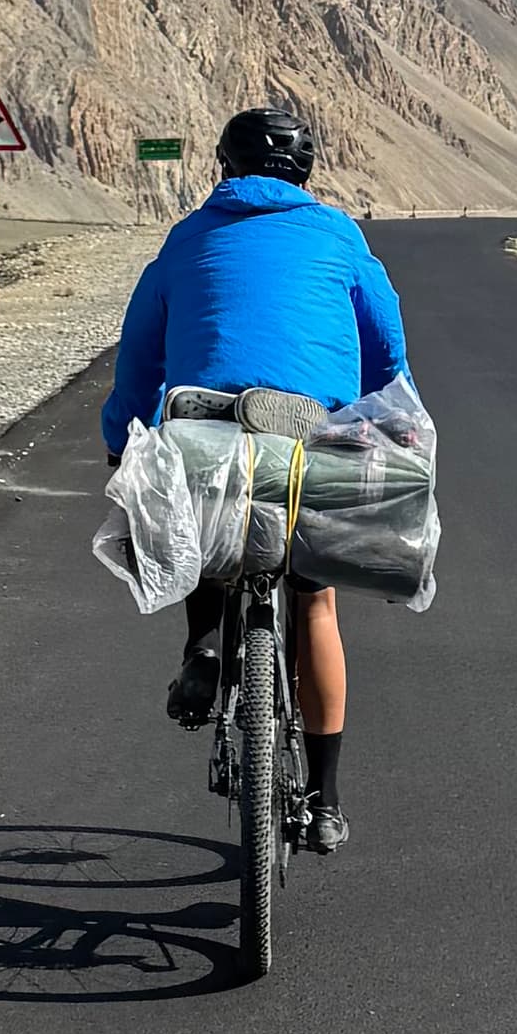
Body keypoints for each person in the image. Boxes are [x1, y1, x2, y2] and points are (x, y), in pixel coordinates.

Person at [103, 102, 408, 852]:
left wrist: (121, 442)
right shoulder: (338, 234)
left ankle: (204, 645)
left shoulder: (186, 239)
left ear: (225, 167)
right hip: (310, 435)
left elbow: (138, 356)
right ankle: (326, 802)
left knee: (210, 527)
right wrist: (371, 407)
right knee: (316, 609)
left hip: (203, 425)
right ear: (305, 173)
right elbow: (387, 347)